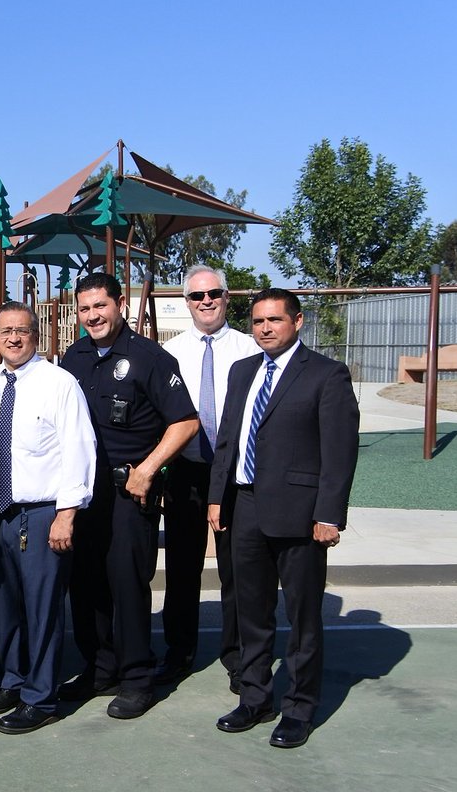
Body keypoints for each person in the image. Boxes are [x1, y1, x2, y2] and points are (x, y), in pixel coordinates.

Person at [209, 288, 359, 749]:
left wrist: (329, 515)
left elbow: (339, 452)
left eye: (274, 320)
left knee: (303, 617)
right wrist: (217, 498)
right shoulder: (242, 372)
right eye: (257, 321)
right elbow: (228, 441)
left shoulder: (327, 375)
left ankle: (299, 708)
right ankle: (254, 697)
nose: (265, 328)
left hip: (300, 512)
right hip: (245, 506)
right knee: (250, 612)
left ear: (297, 322)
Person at [59, 273, 198, 720]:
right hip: (83, 493)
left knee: (126, 584)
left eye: (100, 306)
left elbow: (185, 422)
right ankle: (101, 668)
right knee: (86, 584)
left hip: (128, 492)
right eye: (84, 309)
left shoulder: (151, 358)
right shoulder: (73, 357)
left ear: (119, 304)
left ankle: (138, 677)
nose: (93, 316)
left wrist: (148, 469)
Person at [0, 302, 95, 735]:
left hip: (43, 512)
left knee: (43, 608)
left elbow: (80, 451)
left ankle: (41, 696)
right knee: (6, 606)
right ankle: (12, 680)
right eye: (5, 331)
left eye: (22, 331)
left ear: (37, 335)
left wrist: (66, 515)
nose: (13, 338)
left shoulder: (60, 383)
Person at [158, 267, 259, 691]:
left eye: (213, 293)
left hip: (234, 473)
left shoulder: (251, 348)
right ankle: (178, 653)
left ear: (226, 296)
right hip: (186, 472)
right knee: (182, 568)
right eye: (197, 296)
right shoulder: (170, 353)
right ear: (186, 303)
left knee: (237, 569)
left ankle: (238, 656)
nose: (206, 302)